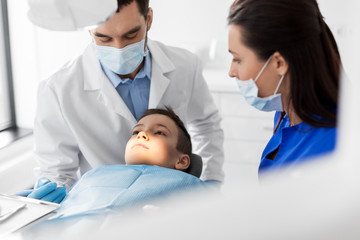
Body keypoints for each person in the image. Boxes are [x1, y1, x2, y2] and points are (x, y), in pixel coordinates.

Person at [29, 0, 224, 202]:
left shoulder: (185, 65)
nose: (119, 48)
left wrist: (211, 179)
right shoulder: (57, 89)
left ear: (148, 20)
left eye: (131, 35)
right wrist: (50, 200)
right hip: (102, 206)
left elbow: (206, 125)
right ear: (89, 30)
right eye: (103, 38)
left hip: (172, 201)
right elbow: (56, 171)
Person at [227, 0, 340, 173]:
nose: (231, 72)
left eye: (237, 59)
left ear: (279, 63)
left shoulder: (332, 148)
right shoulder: (286, 112)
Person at [45, 107, 208, 220]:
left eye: (159, 132)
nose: (142, 134)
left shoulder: (192, 187)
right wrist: (39, 209)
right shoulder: (95, 175)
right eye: (136, 131)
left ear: (182, 161)